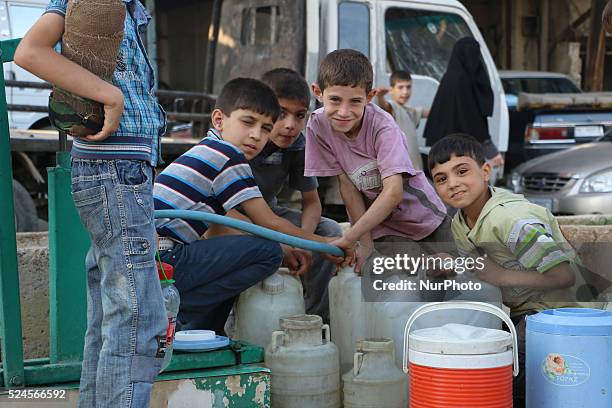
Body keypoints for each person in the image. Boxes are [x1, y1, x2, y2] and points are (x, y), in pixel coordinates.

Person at [15, 1, 168, 406]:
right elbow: (30, 51)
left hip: (118, 170)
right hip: (116, 168)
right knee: (138, 318)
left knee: (112, 316)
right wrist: (109, 95)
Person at [154, 77, 342, 334]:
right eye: (248, 122)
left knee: (239, 260)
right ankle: (179, 311)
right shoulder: (227, 156)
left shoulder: (208, 148)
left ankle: (206, 332)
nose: (257, 135)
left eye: (266, 128)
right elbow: (269, 222)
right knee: (268, 252)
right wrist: (325, 243)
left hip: (153, 259)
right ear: (219, 119)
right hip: (164, 259)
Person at [428, 133, 597, 408]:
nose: (453, 183)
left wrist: (502, 277)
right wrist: (454, 264)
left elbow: (563, 276)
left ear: (485, 172)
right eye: (441, 178)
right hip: (525, 311)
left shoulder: (511, 219)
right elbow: (483, 268)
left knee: (503, 367)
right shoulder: (461, 222)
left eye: (461, 171)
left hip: (567, 313)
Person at [304, 49, 450, 280]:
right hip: (381, 226)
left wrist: (350, 237)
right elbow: (349, 188)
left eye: (355, 102)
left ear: (370, 97)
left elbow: (393, 193)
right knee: (405, 283)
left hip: (424, 218)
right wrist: (366, 244)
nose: (343, 112)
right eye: (335, 100)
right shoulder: (318, 126)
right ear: (318, 92)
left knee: (449, 277)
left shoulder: (382, 126)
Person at [246, 68, 342, 321]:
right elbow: (223, 212)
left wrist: (305, 242)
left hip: (270, 211)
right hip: (233, 219)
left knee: (329, 232)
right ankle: (240, 319)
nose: (290, 125)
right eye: (281, 114)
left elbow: (312, 203)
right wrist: (281, 243)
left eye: (299, 116)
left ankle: (315, 319)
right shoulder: (245, 140)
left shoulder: (298, 144)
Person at [423, 37, 504, 174]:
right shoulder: (463, 81)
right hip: (464, 147)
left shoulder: (450, 78)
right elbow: (472, 119)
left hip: (448, 147)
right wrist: (489, 147)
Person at [375, 69, 427, 171]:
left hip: (415, 170)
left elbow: (429, 112)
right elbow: (384, 106)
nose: (405, 92)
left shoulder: (410, 110)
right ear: (392, 90)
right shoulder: (393, 107)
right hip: (401, 170)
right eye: (400, 87)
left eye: (408, 87)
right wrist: (380, 96)